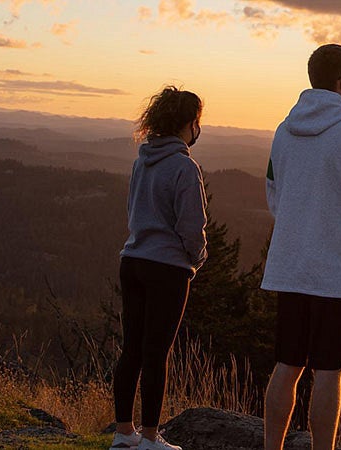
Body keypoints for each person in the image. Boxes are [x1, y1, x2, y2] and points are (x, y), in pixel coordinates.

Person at [261, 43, 341, 450]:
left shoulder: (284, 131)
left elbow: (274, 194)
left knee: (287, 365)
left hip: (290, 266)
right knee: (329, 372)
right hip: (337, 274)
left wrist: (297, 234)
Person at [111, 86, 208, 450]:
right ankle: (151, 438)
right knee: (157, 352)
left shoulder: (141, 161)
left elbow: (133, 212)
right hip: (167, 267)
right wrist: (196, 259)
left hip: (132, 260)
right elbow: (191, 226)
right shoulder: (185, 167)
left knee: (132, 349)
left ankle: (123, 434)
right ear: (188, 124)